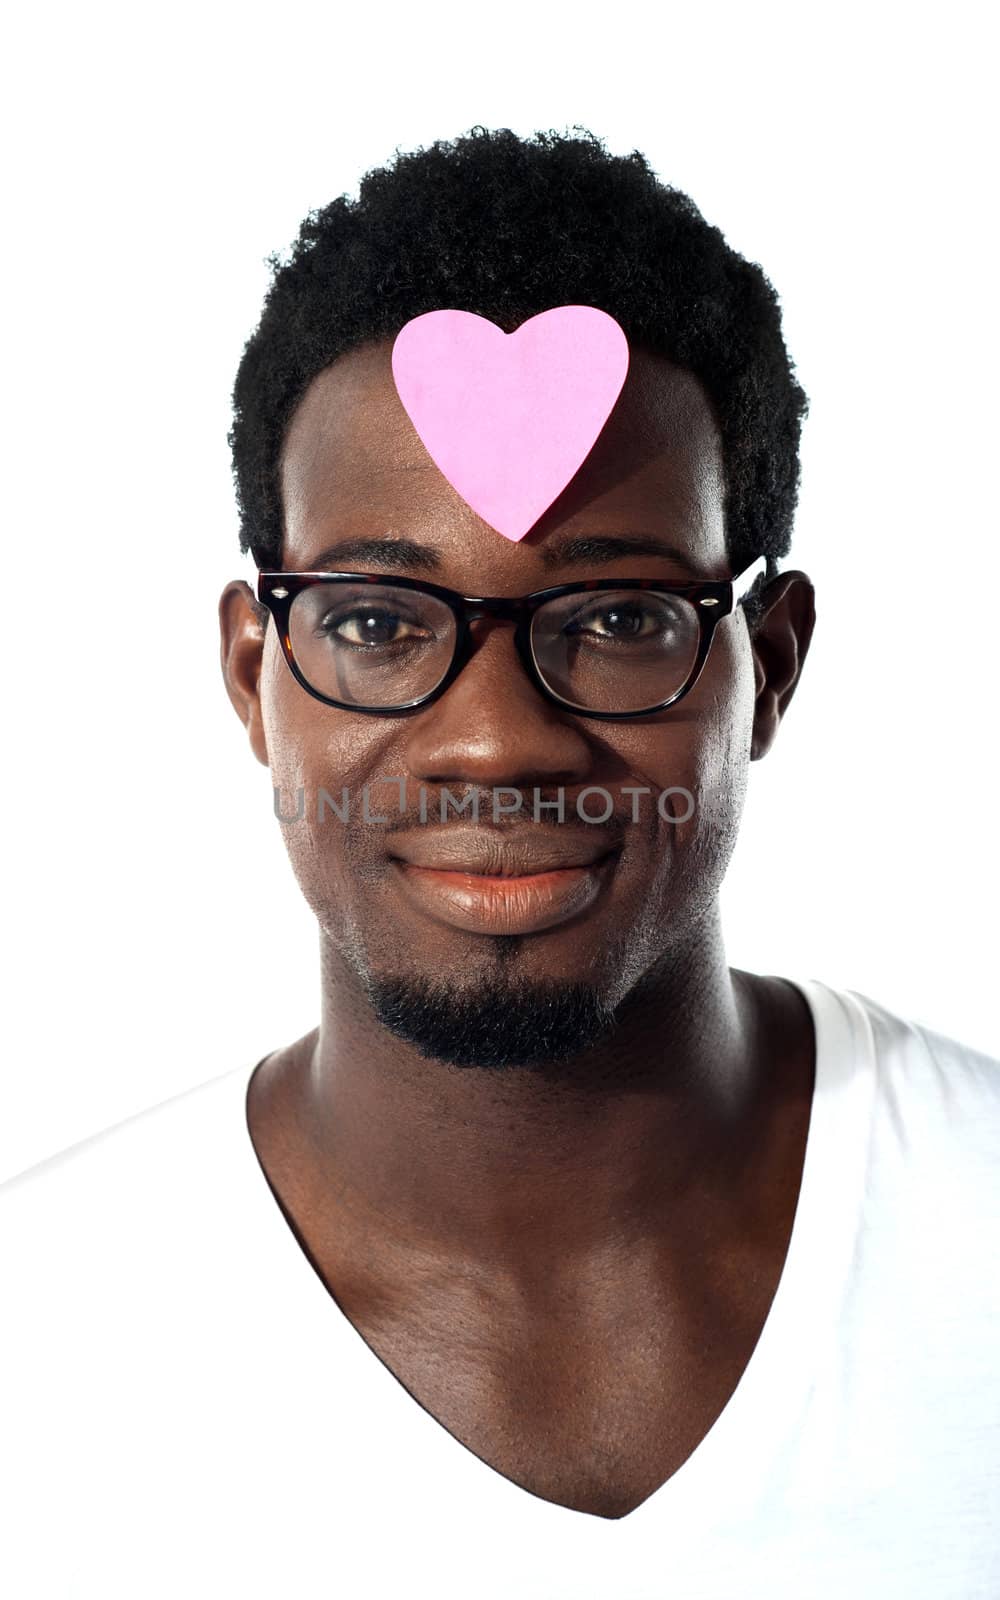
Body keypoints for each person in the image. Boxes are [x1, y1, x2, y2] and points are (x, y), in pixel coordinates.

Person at [2, 127, 998, 1599]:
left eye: (617, 616)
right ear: (247, 676)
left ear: (769, 670)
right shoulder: (37, 1347)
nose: (492, 741)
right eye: (376, 622)